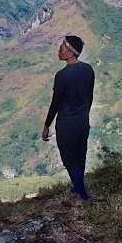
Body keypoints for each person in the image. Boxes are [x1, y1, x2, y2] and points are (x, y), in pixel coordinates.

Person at [42, 34, 95, 202]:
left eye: (62, 49)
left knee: (70, 160)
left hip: (66, 124)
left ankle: (82, 195)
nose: (59, 51)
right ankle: (77, 187)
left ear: (71, 53)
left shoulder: (62, 75)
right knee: (80, 156)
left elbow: (55, 103)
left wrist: (46, 125)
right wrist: (84, 115)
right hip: (82, 121)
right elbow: (89, 97)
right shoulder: (88, 70)